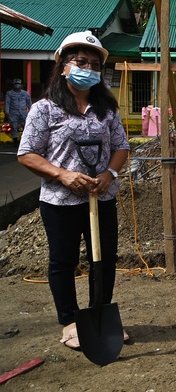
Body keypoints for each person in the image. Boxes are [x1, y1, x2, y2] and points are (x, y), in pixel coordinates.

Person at [17, 32, 130, 350]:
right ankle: (69, 322)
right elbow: (27, 154)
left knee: (104, 259)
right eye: (81, 62)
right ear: (63, 65)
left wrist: (110, 172)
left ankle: (99, 315)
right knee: (64, 261)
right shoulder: (45, 109)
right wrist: (62, 175)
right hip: (61, 200)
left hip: (101, 195)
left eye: (94, 64)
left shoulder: (105, 108)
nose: (88, 68)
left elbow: (121, 147)